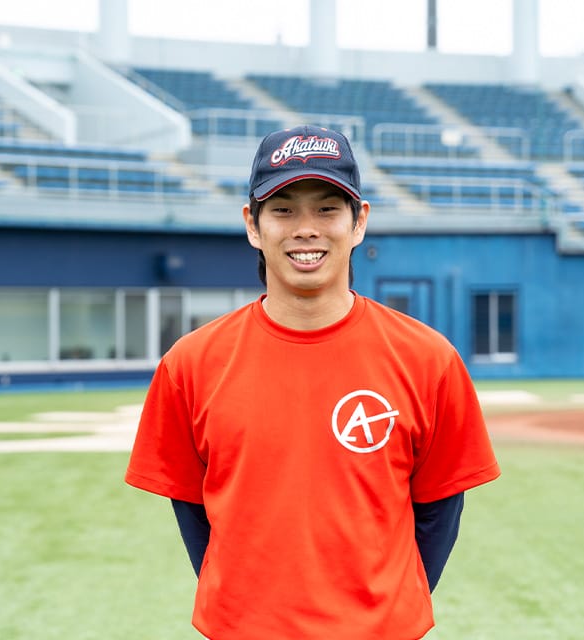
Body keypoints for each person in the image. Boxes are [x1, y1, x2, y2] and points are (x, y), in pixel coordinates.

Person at [125, 124, 500, 640]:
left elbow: (439, 513)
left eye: (326, 209)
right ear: (252, 225)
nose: (306, 229)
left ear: (359, 221)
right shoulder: (189, 364)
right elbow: (193, 513)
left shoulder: (428, 359)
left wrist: (379, 611)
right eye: (283, 210)